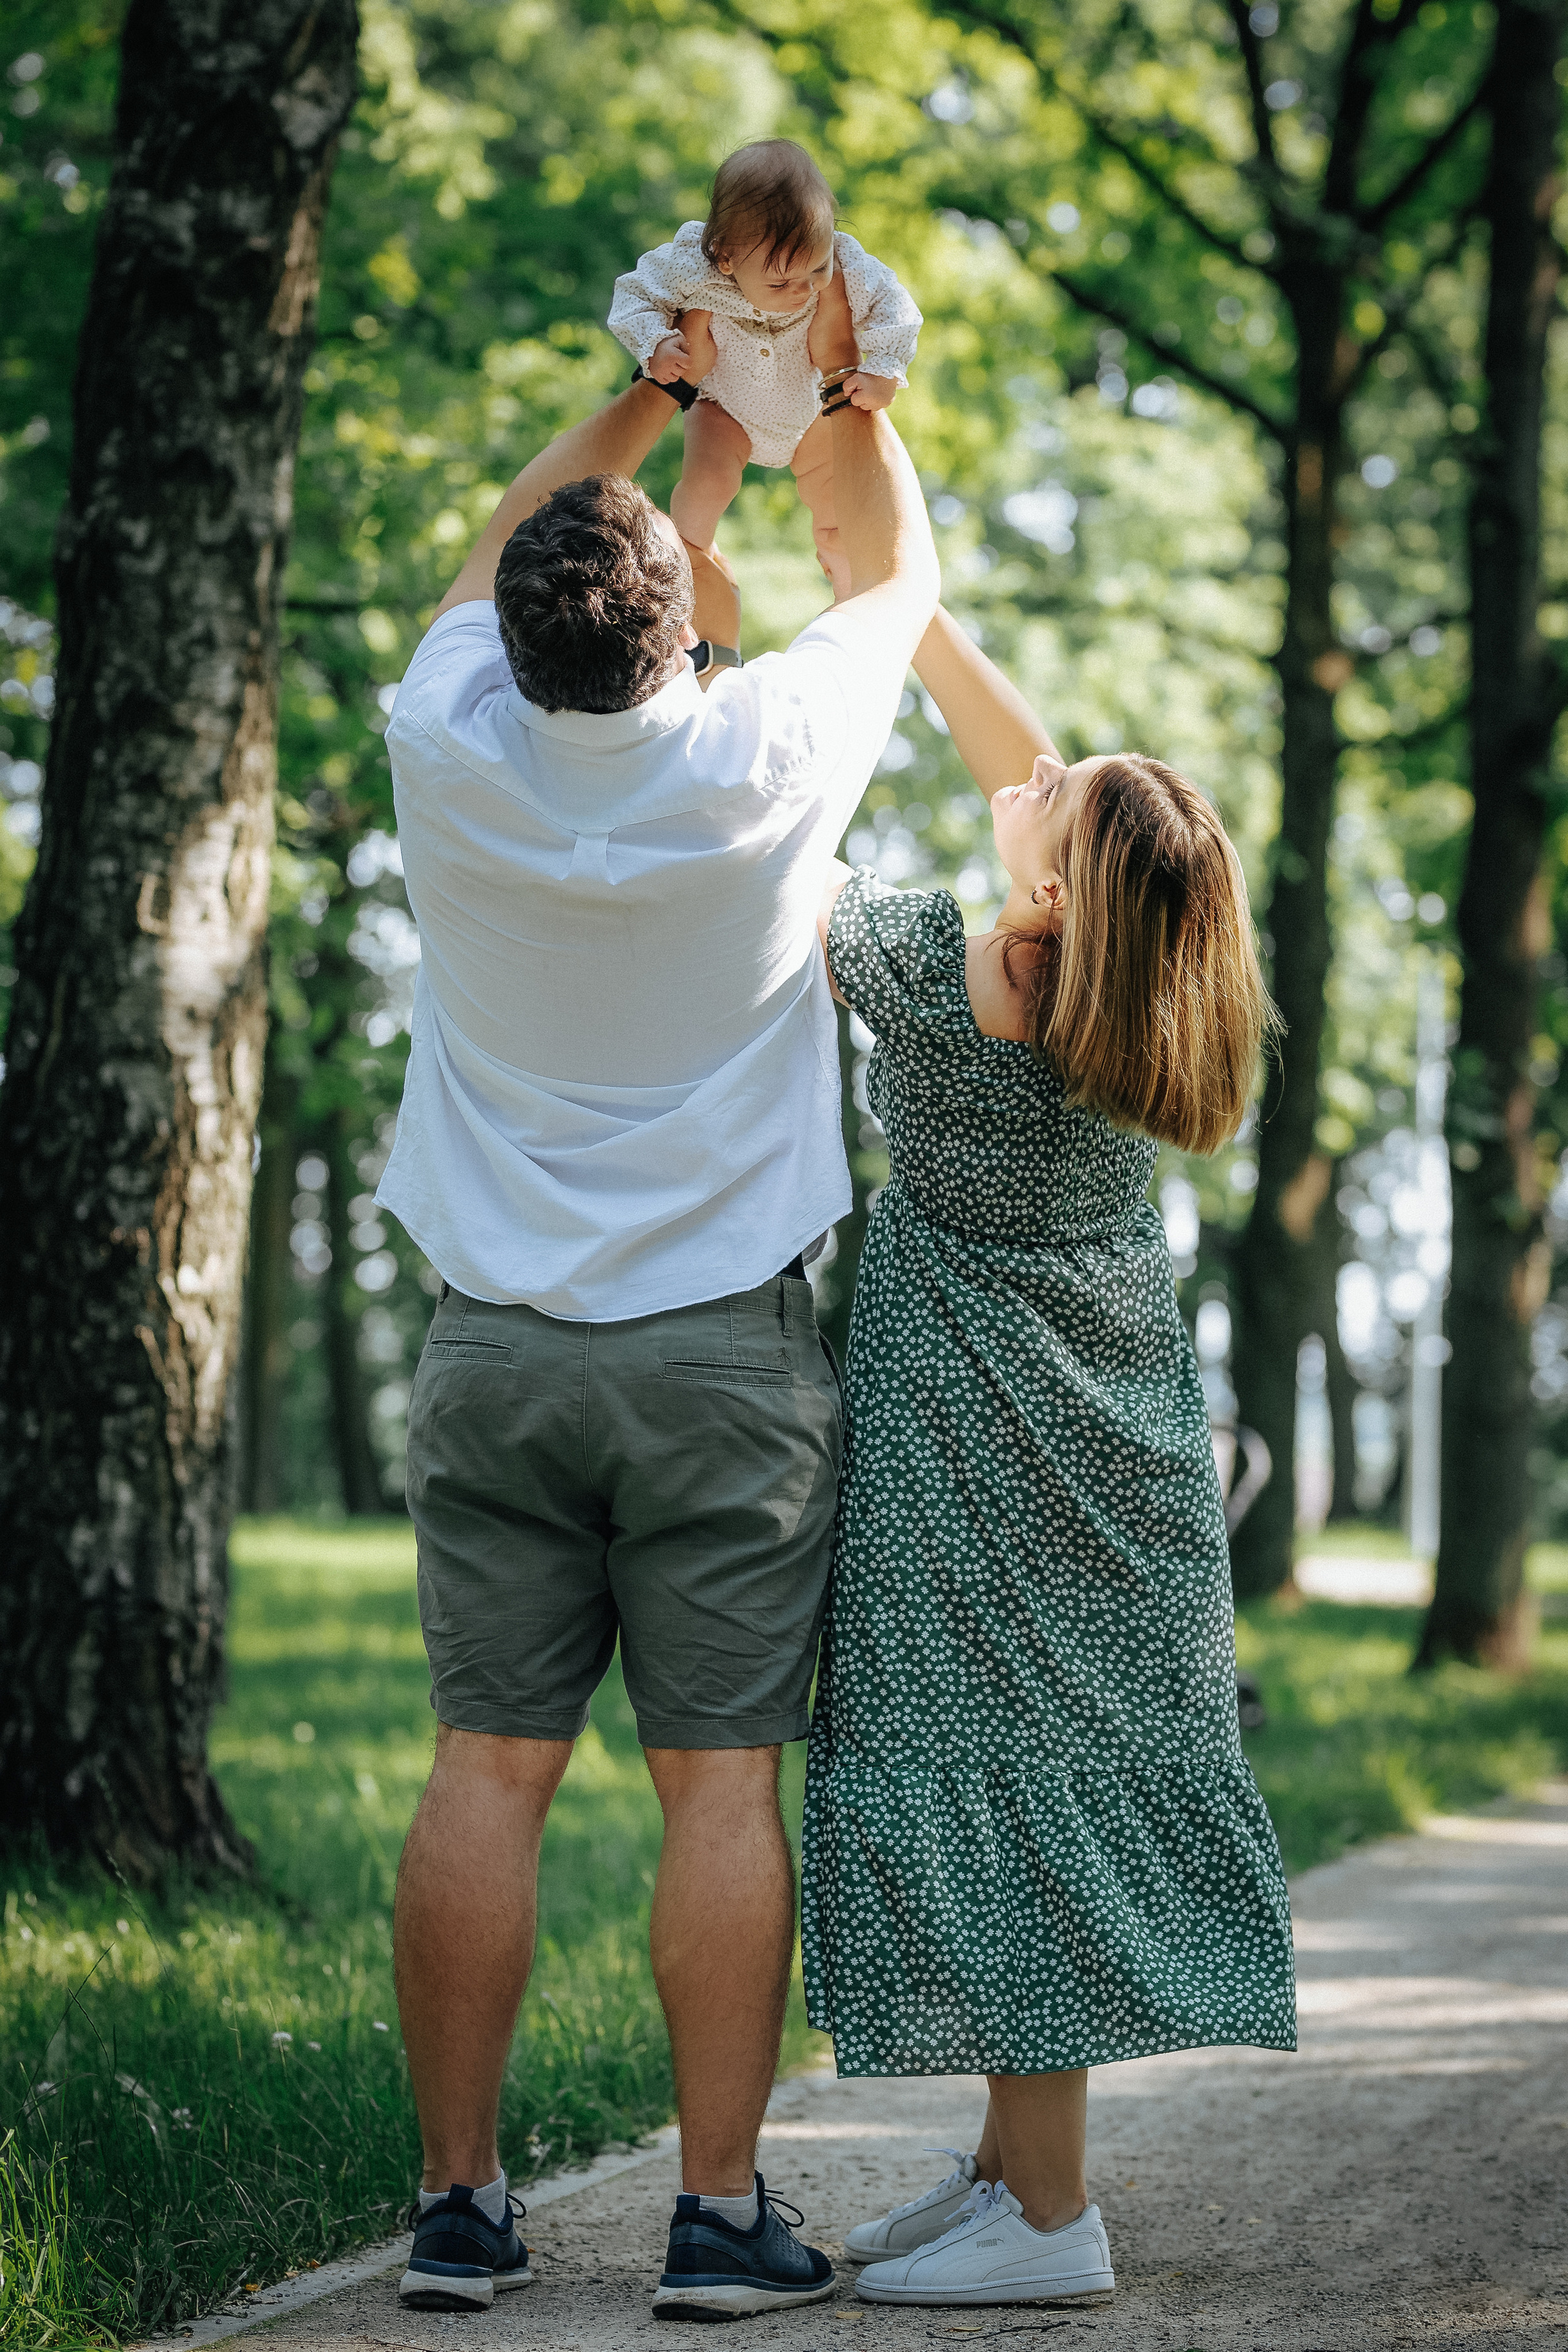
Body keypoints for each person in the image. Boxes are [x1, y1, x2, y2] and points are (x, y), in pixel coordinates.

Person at [376, 345, 940, 2312]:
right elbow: (900, 578)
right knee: (720, 1786)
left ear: (521, 639)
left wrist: (650, 392)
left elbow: (486, 564)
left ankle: (456, 2207)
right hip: (722, 1363)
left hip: (497, 1349)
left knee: (485, 1770)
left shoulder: (448, 738)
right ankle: (715, 2217)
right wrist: (834, 381)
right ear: (684, 619)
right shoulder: (769, 747)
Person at [801, 608, 1298, 2307]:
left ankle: (1052, 2219)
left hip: (992, 1460)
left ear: (1062, 897)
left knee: (1014, 1792)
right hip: (1109, 1445)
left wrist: (768, 693)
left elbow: (803, 864)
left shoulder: (969, 977)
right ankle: (1015, 2166)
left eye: (1062, 799)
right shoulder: (1125, 998)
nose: (1033, 775)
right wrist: (914, 618)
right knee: (1051, 1776)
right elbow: (1036, 780)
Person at [608, 138, 921, 598]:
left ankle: (851, 593)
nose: (804, 289)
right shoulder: (691, 264)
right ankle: (695, 564)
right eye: (781, 281)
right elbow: (635, 293)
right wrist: (655, 344)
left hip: (813, 406)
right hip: (724, 408)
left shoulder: (845, 258)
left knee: (840, 515)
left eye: (817, 270)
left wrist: (886, 367)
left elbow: (893, 304)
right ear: (726, 256)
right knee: (705, 489)